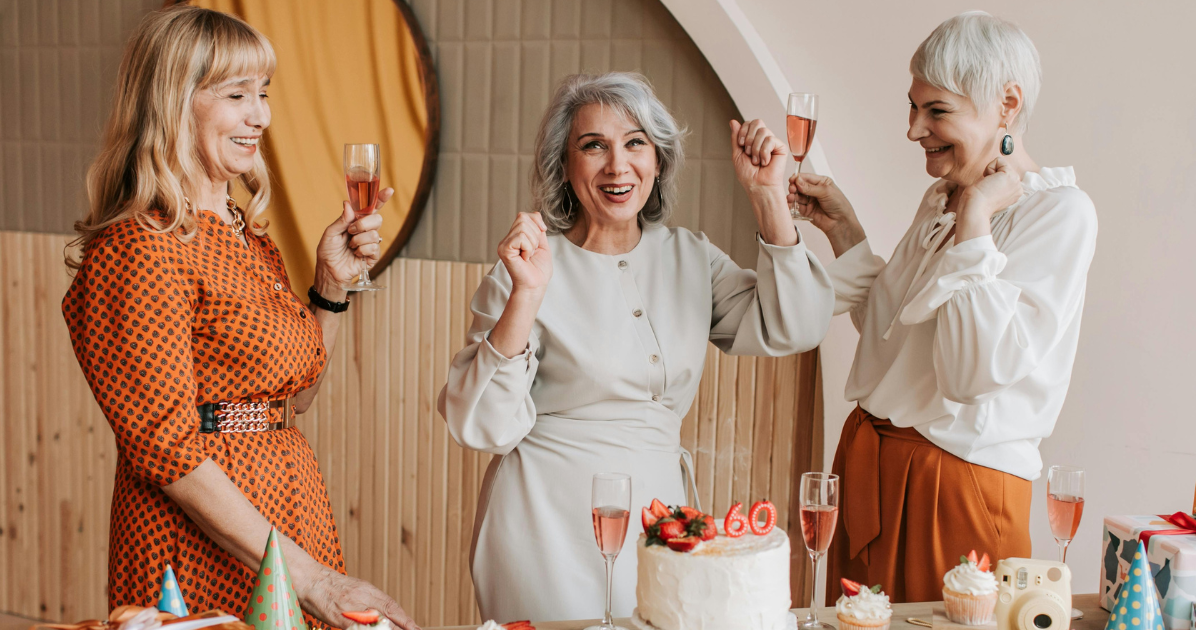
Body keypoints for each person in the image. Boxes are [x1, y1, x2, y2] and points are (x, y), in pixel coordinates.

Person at [61, 7, 417, 629]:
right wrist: (311, 580)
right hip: (198, 535)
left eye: (264, 94)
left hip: (287, 503)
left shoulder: (247, 236)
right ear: (175, 103)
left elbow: (294, 398)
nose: (262, 116)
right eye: (237, 95)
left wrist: (330, 287)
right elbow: (168, 447)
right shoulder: (140, 247)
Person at [438, 72, 836, 622]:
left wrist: (768, 197)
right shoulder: (527, 265)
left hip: (660, 525)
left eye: (635, 143)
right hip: (545, 526)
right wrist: (528, 294)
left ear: (659, 160)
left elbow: (798, 325)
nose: (617, 166)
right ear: (564, 166)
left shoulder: (692, 257)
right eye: (593, 146)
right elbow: (479, 423)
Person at [790, 12, 1098, 602]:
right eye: (913, 107)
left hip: (957, 487)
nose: (914, 129)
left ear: (1007, 104)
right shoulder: (941, 197)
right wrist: (846, 231)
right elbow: (890, 337)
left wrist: (976, 223)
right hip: (870, 467)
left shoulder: (1059, 213)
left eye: (936, 111)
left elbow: (969, 375)